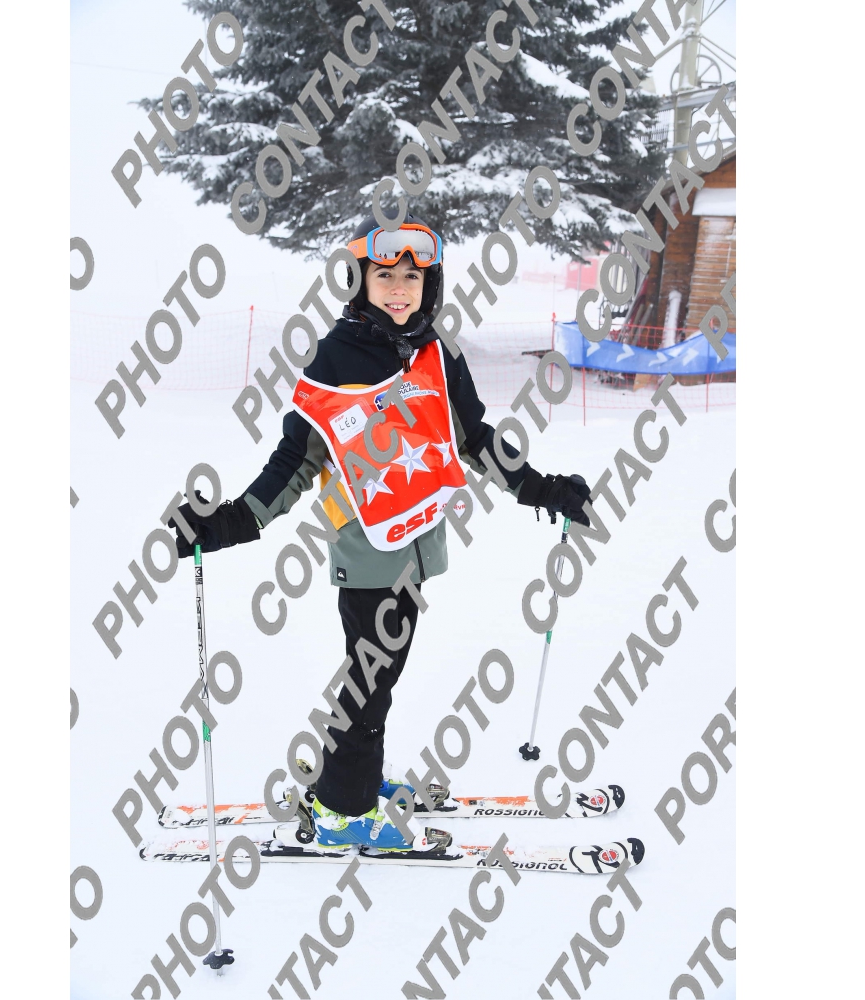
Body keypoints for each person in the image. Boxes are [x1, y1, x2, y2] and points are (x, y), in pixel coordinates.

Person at [170, 215, 592, 852]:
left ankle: (351, 780)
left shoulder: (436, 352)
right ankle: (344, 812)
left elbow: (474, 439)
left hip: (417, 550)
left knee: (375, 679)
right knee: (370, 682)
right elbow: (295, 461)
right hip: (366, 553)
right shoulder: (336, 357)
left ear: (430, 285)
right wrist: (229, 521)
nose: (399, 290)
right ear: (359, 281)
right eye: (385, 275)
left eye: (412, 279)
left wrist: (542, 488)